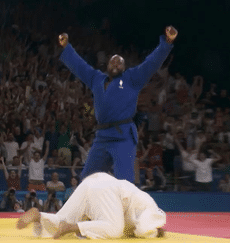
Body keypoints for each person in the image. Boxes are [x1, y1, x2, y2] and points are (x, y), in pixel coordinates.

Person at [58, 26, 178, 183]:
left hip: (123, 136)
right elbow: (79, 66)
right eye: (112, 61)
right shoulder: (97, 79)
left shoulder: (131, 79)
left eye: (119, 62)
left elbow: (151, 63)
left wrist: (166, 43)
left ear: (124, 67)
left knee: (125, 183)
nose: (115, 64)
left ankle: (129, 208)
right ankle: (89, 208)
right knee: (87, 181)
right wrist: (66, 47)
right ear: (107, 66)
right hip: (102, 137)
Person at [17, 172, 165, 239]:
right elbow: (144, 229)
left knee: (61, 219)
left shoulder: (144, 202)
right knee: (114, 229)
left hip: (92, 182)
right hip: (106, 188)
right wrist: (156, 233)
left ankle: (38, 216)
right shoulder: (152, 210)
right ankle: (73, 227)